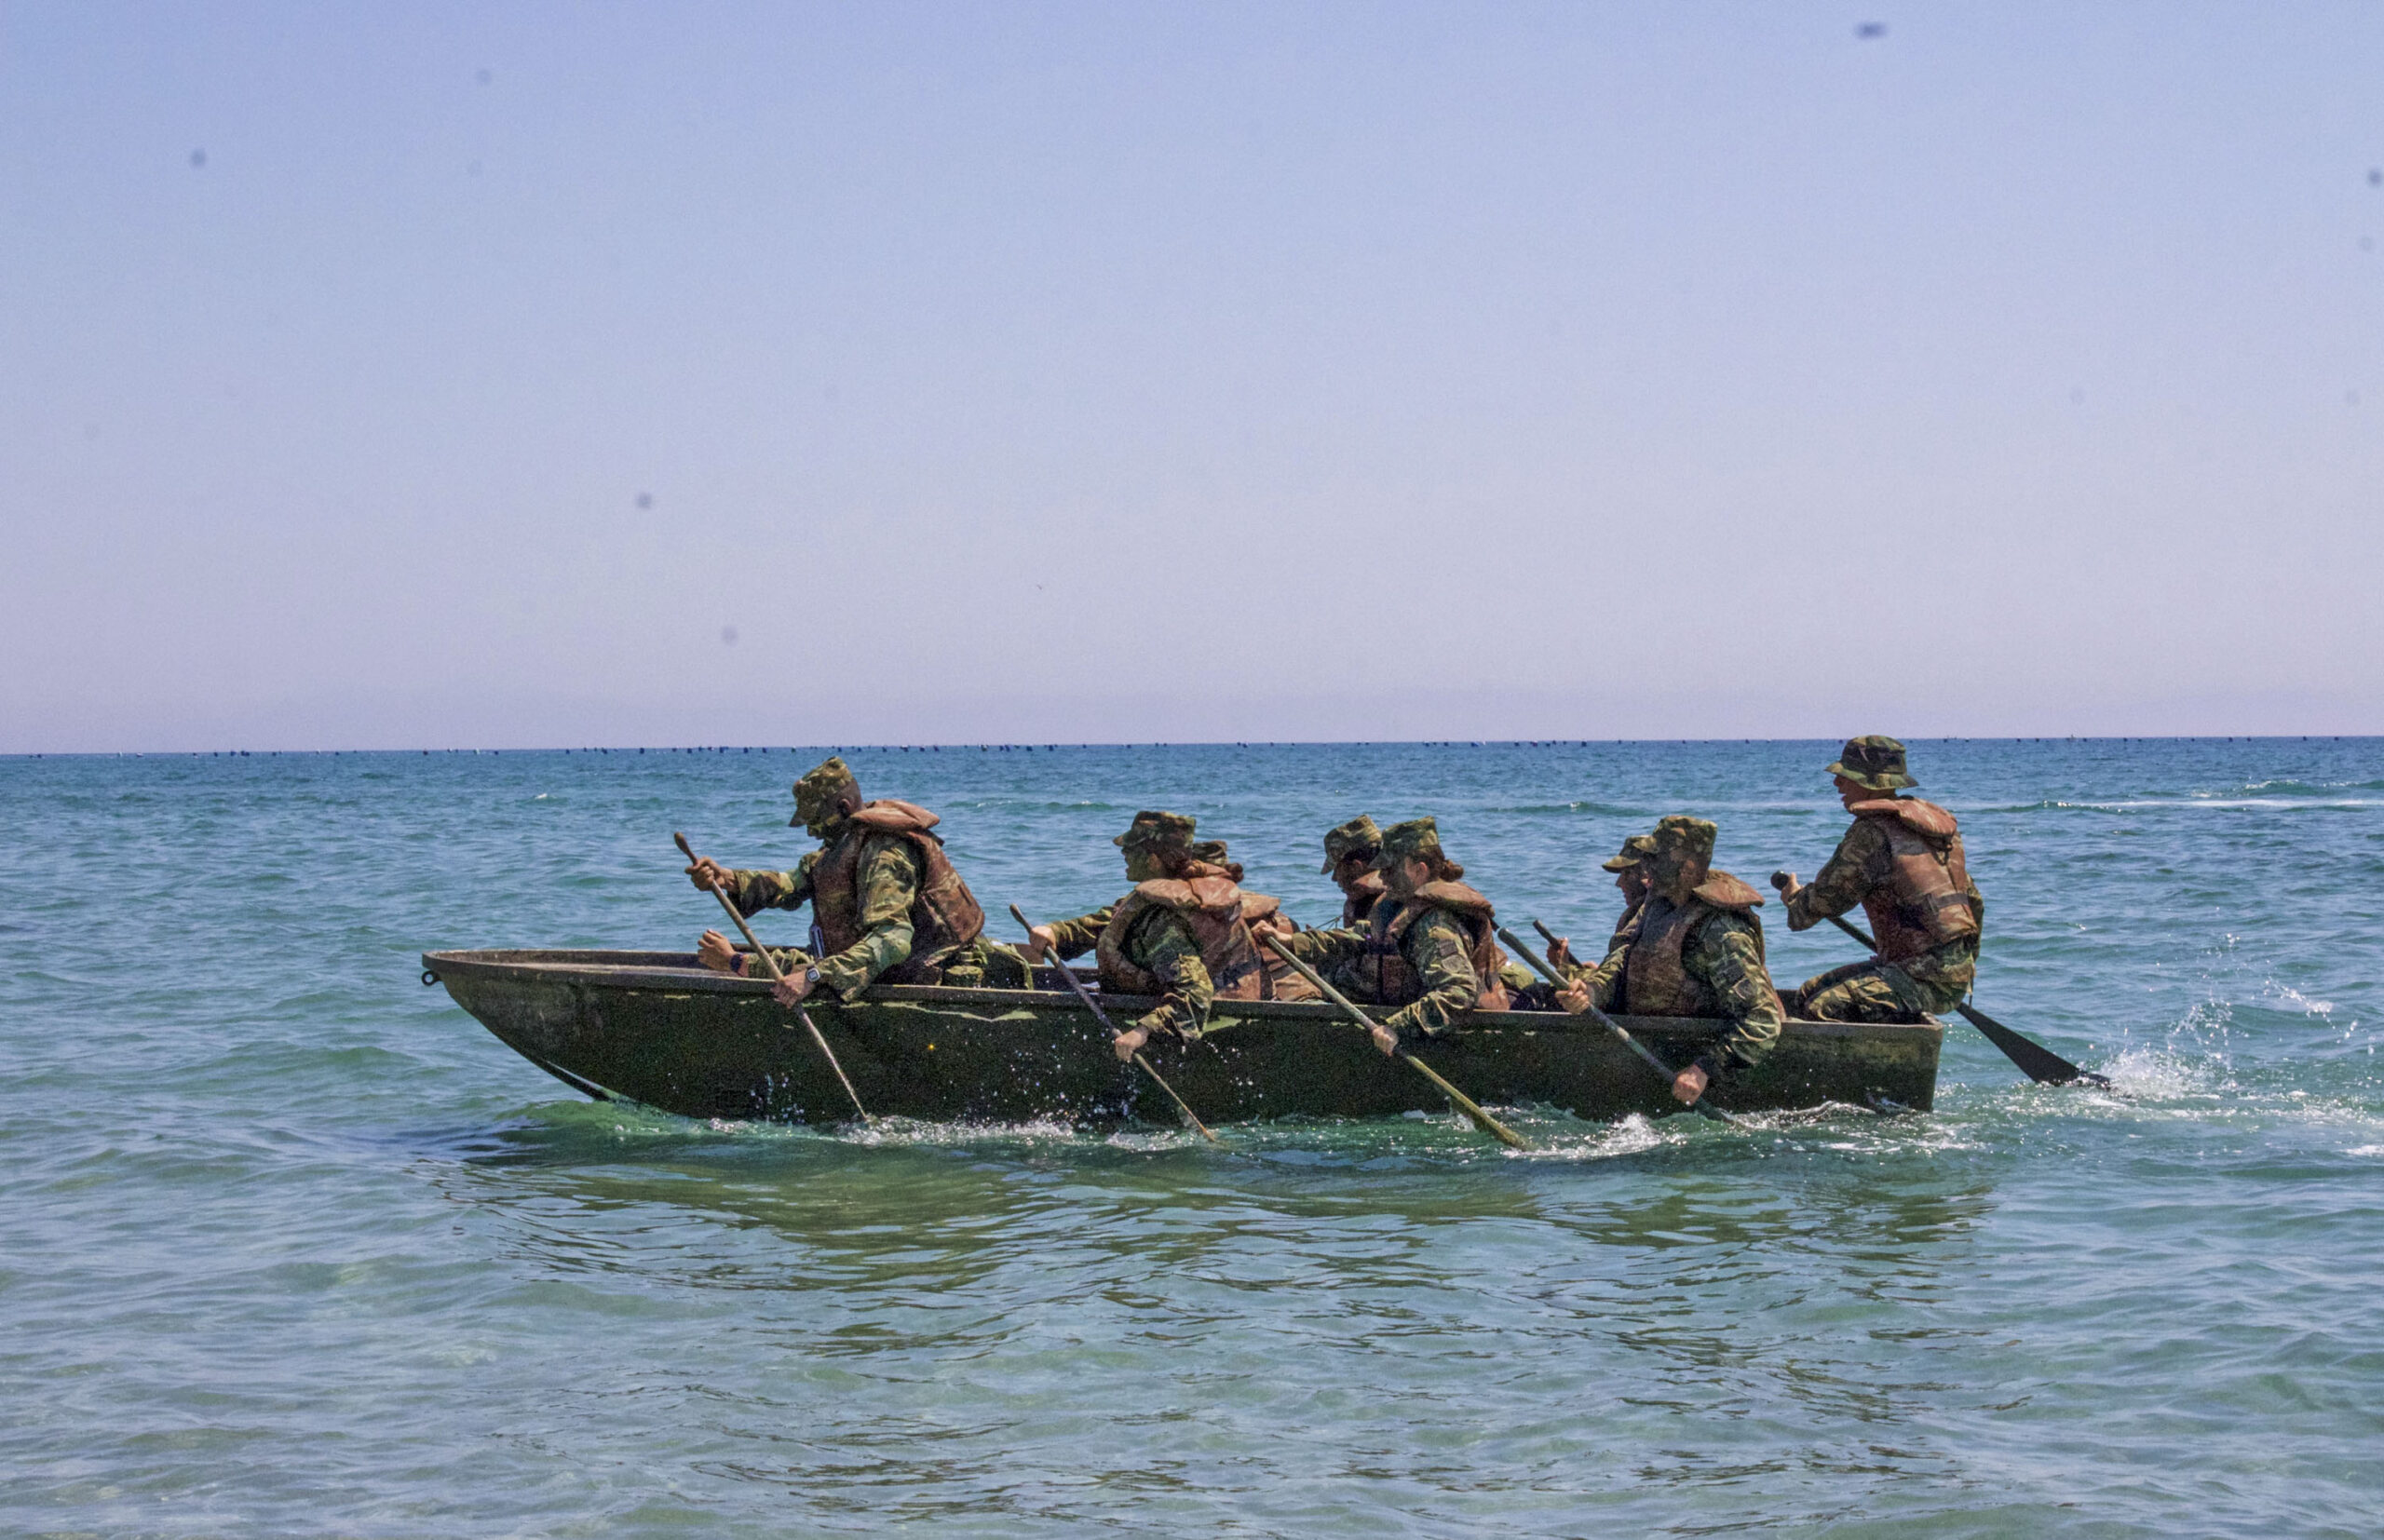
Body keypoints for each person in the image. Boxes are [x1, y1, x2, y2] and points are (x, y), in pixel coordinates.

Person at [684, 755, 994, 1006]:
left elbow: (893, 939)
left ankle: (736, 962)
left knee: (791, 968)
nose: (810, 831)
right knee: (797, 963)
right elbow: (792, 883)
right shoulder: (842, 845)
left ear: (844, 808)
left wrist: (813, 976)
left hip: (923, 974)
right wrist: (728, 879)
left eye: (815, 820)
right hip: (881, 966)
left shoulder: (885, 853)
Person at [1019, 812, 1292, 1060]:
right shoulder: (1168, 894)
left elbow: (1195, 993)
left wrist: (1142, 1032)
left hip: (1221, 1029)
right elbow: (1112, 920)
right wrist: (1057, 932)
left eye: (1130, 850)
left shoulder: (1165, 922)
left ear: (1152, 859)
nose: (1123, 854)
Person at [1555, 816, 1784, 1103]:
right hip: (1656, 1047)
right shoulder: (1655, 907)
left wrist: (1703, 1070)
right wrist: (1590, 991)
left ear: (1687, 868)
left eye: (1655, 857)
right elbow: (1621, 961)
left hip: (1701, 1069)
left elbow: (1762, 1019)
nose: (1646, 865)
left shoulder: (1721, 930)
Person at [1776, 735, 1984, 1022]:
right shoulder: (1932, 831)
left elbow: (1818, 906)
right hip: (1942, 970)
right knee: (1808, 994)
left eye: (1847, 775)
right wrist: (1956, 965)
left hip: (1926, 976)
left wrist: (1795, 898)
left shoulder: (1871, 833)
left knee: (1822, 1008)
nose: (1837, 783)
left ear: (1871, 782)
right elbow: (1973, 902)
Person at [1273, 817, 1510, 1057]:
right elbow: (1365, 937)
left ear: (1419, 870)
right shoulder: (1401, 905)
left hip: (1466, 1041)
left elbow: (1459, 993)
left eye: (1389, 869)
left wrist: (1396, 1027)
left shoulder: (1436, 925)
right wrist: (1293, 942)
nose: (1382, 877)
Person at [1542, 831, 1659, 974]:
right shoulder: (1638, 916)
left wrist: (1567, 969)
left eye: (1627, 873)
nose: (1619, 883)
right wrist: (1595, 972)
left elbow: (1632, 982)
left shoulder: (1651, 920)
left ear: (1648, 876)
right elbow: (1623, 976)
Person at [1321, 816, 1388, 926]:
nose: (1334, 878)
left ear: (1356, 867)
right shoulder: (1354, 905)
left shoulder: (1393, 900)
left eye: (1337, 869)